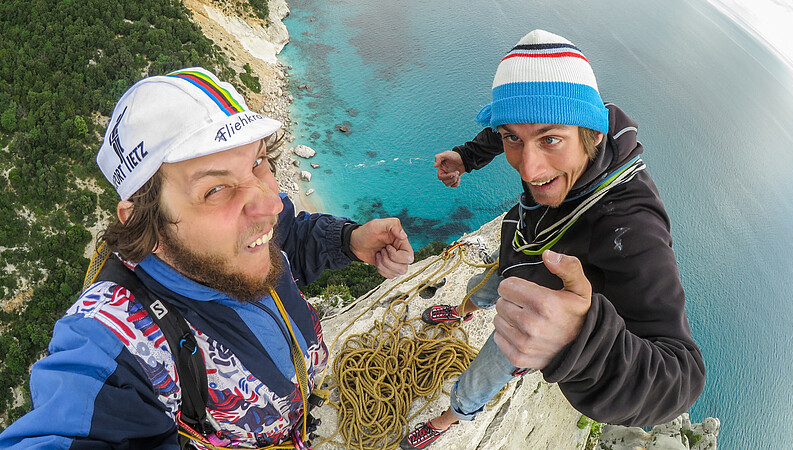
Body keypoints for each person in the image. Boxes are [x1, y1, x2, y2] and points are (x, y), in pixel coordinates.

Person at [0, 67, 414, 449]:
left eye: (258, 164)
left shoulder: (249, 224)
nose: (268, 203)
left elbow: (287, 237)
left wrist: (349, 240)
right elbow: (71, 422)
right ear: (151, 226)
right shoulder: (116, 340)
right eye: (215, 190)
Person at [402, 30, 704, 449]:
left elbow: (682, 378)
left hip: (540, 309)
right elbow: (511, 125)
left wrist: (576, 337)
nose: (528, 169)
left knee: (488, 370)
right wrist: (466, 157)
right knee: (483, 289)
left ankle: (451, 417)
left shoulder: (630, 225)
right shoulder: (575, 124)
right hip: (519, 249)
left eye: (550, 140)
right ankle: (461, 310)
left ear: (594, 134)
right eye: (515, 139)